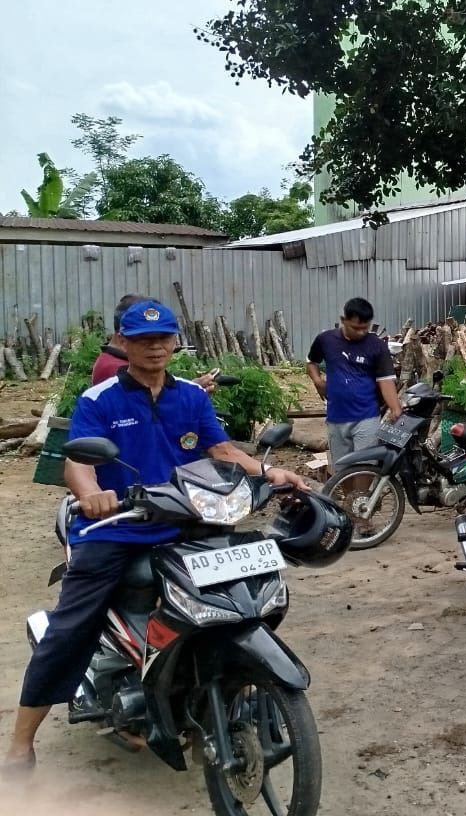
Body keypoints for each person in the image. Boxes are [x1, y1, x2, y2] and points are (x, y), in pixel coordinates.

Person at [4, 300, 307, 775]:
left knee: (243, 595)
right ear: (123, 343)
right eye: (143, 340)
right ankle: (21, 745)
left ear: (175, 342)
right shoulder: (99, 399)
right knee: (71, 629)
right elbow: (77, 463)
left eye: (163, 338)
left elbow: (221, 449)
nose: (155, 347)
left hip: (186, 520)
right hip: (116, 528)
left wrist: (269, 472)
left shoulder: (191, 396)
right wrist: (92, 495)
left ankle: (225, 677)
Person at [307, 298, 401, 463]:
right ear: (343, 320)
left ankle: (363, 482)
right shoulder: (325, 340)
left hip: (367, 417)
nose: (361, 332)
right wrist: (317, 381)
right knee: (342, 467)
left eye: (365, 328)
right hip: (335, 417)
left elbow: (385, 380)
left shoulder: (377, 345)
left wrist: (395, 408)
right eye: (356, 328)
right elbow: (311, 362)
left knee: (365, 467)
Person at [93, 294, 217, 393]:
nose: (156, 346)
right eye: (144, 337)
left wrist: (189, 390)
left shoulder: (125, 361)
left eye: (163, 338)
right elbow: (144, 408)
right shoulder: (113, 369)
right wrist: (188, 392)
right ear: (123, 338)